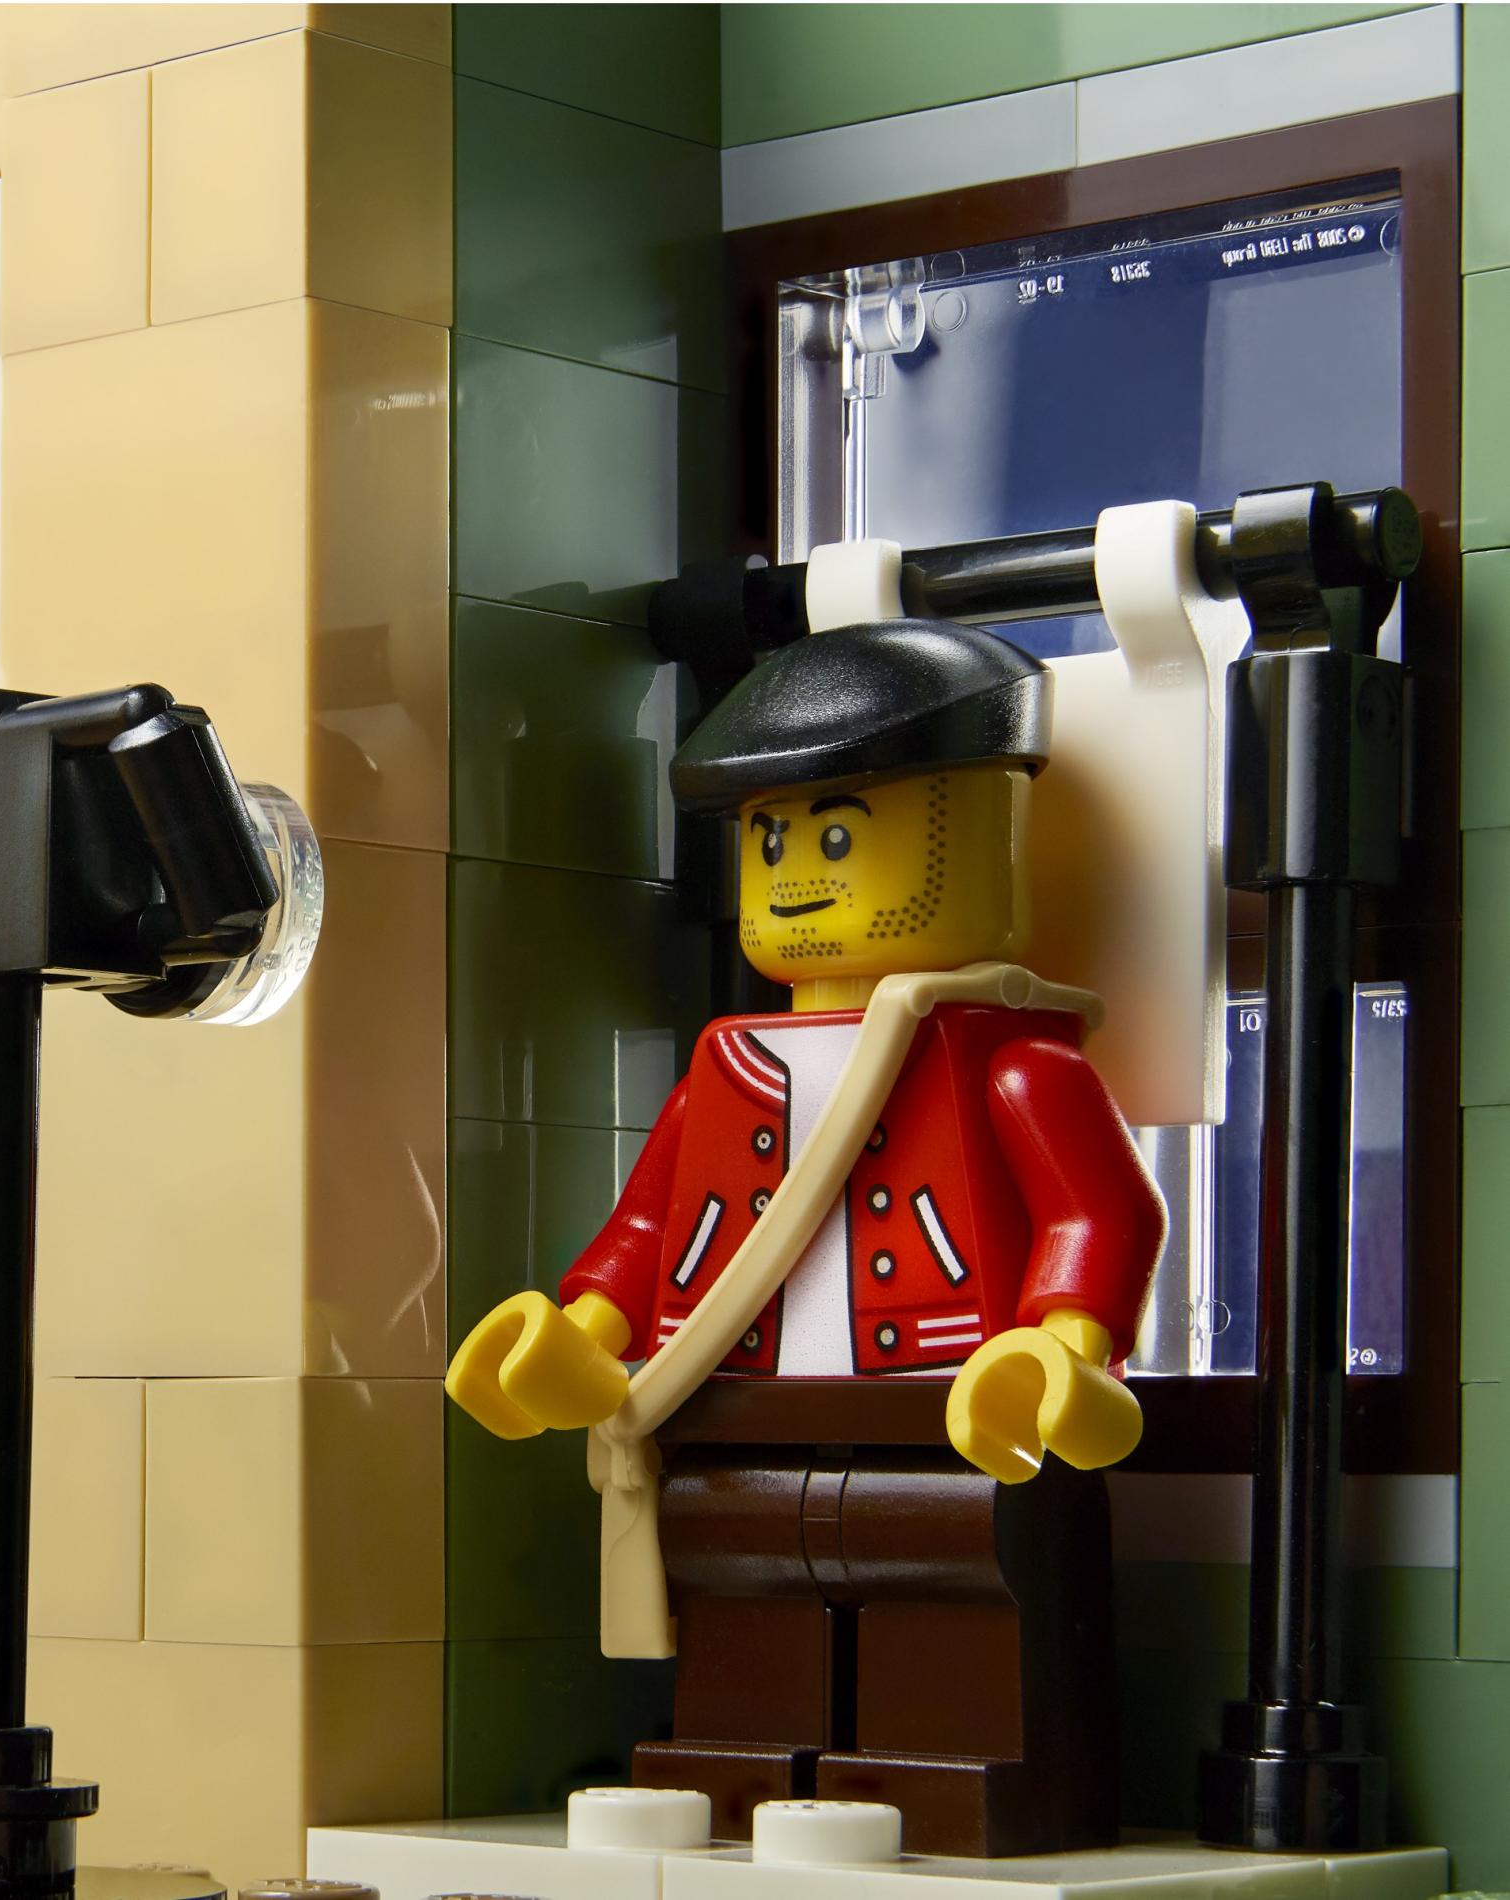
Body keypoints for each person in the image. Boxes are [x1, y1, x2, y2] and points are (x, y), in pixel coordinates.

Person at [447, 618, 1167, 1855]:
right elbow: (650, 1223)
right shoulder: (728, 1068)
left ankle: (953, 1773)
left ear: (975, 829)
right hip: (739, 1405)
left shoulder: (1009, 1056)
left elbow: (1100, 1210)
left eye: (836, 836)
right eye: (769, 840)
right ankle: (731, 1765)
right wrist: (586, 1328)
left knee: (947, 1579)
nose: (790, 872)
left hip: (949, 1408)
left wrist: (1060, 1345)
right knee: (740, 1571)